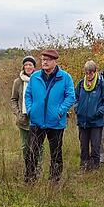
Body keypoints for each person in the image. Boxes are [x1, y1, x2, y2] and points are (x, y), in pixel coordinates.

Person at [24, 49, 76, 183]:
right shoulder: (35, 77)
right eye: (43, 59)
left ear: (55, 61)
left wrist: (60, 111)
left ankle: (54, 181)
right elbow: (28, 95)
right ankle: (30, 179)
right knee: (31, 151)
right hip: (37, 121)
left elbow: (70, 97)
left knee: (56, 153)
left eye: (47, 60)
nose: (44, 62)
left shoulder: (65, 77)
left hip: (56, 123)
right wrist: (31, 110)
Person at [75, 60, 104, 171]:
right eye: (86, 72)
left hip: (96, 122)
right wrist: (77, 109)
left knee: (96, 147)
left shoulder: (102, 84)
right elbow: (75, 98)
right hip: (83, 121)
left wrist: (97, 113)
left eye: (91, 72)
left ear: (95, 72)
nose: (89, 75)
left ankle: (95, 169)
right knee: (83, 146)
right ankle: (83, 167)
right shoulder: (81, 84)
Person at [11, 56, 40, 167]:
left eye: (30, 65)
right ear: (23, 66)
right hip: (23, 119)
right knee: (25, 145)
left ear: (34, 67)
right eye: (26, 64)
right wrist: (18, 114)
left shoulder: (39, 79)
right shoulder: (18, 82)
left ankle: (38, 166)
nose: (28, 67)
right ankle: (27, 165)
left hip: (37, 118)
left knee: (38, 145)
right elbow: (13, 99)